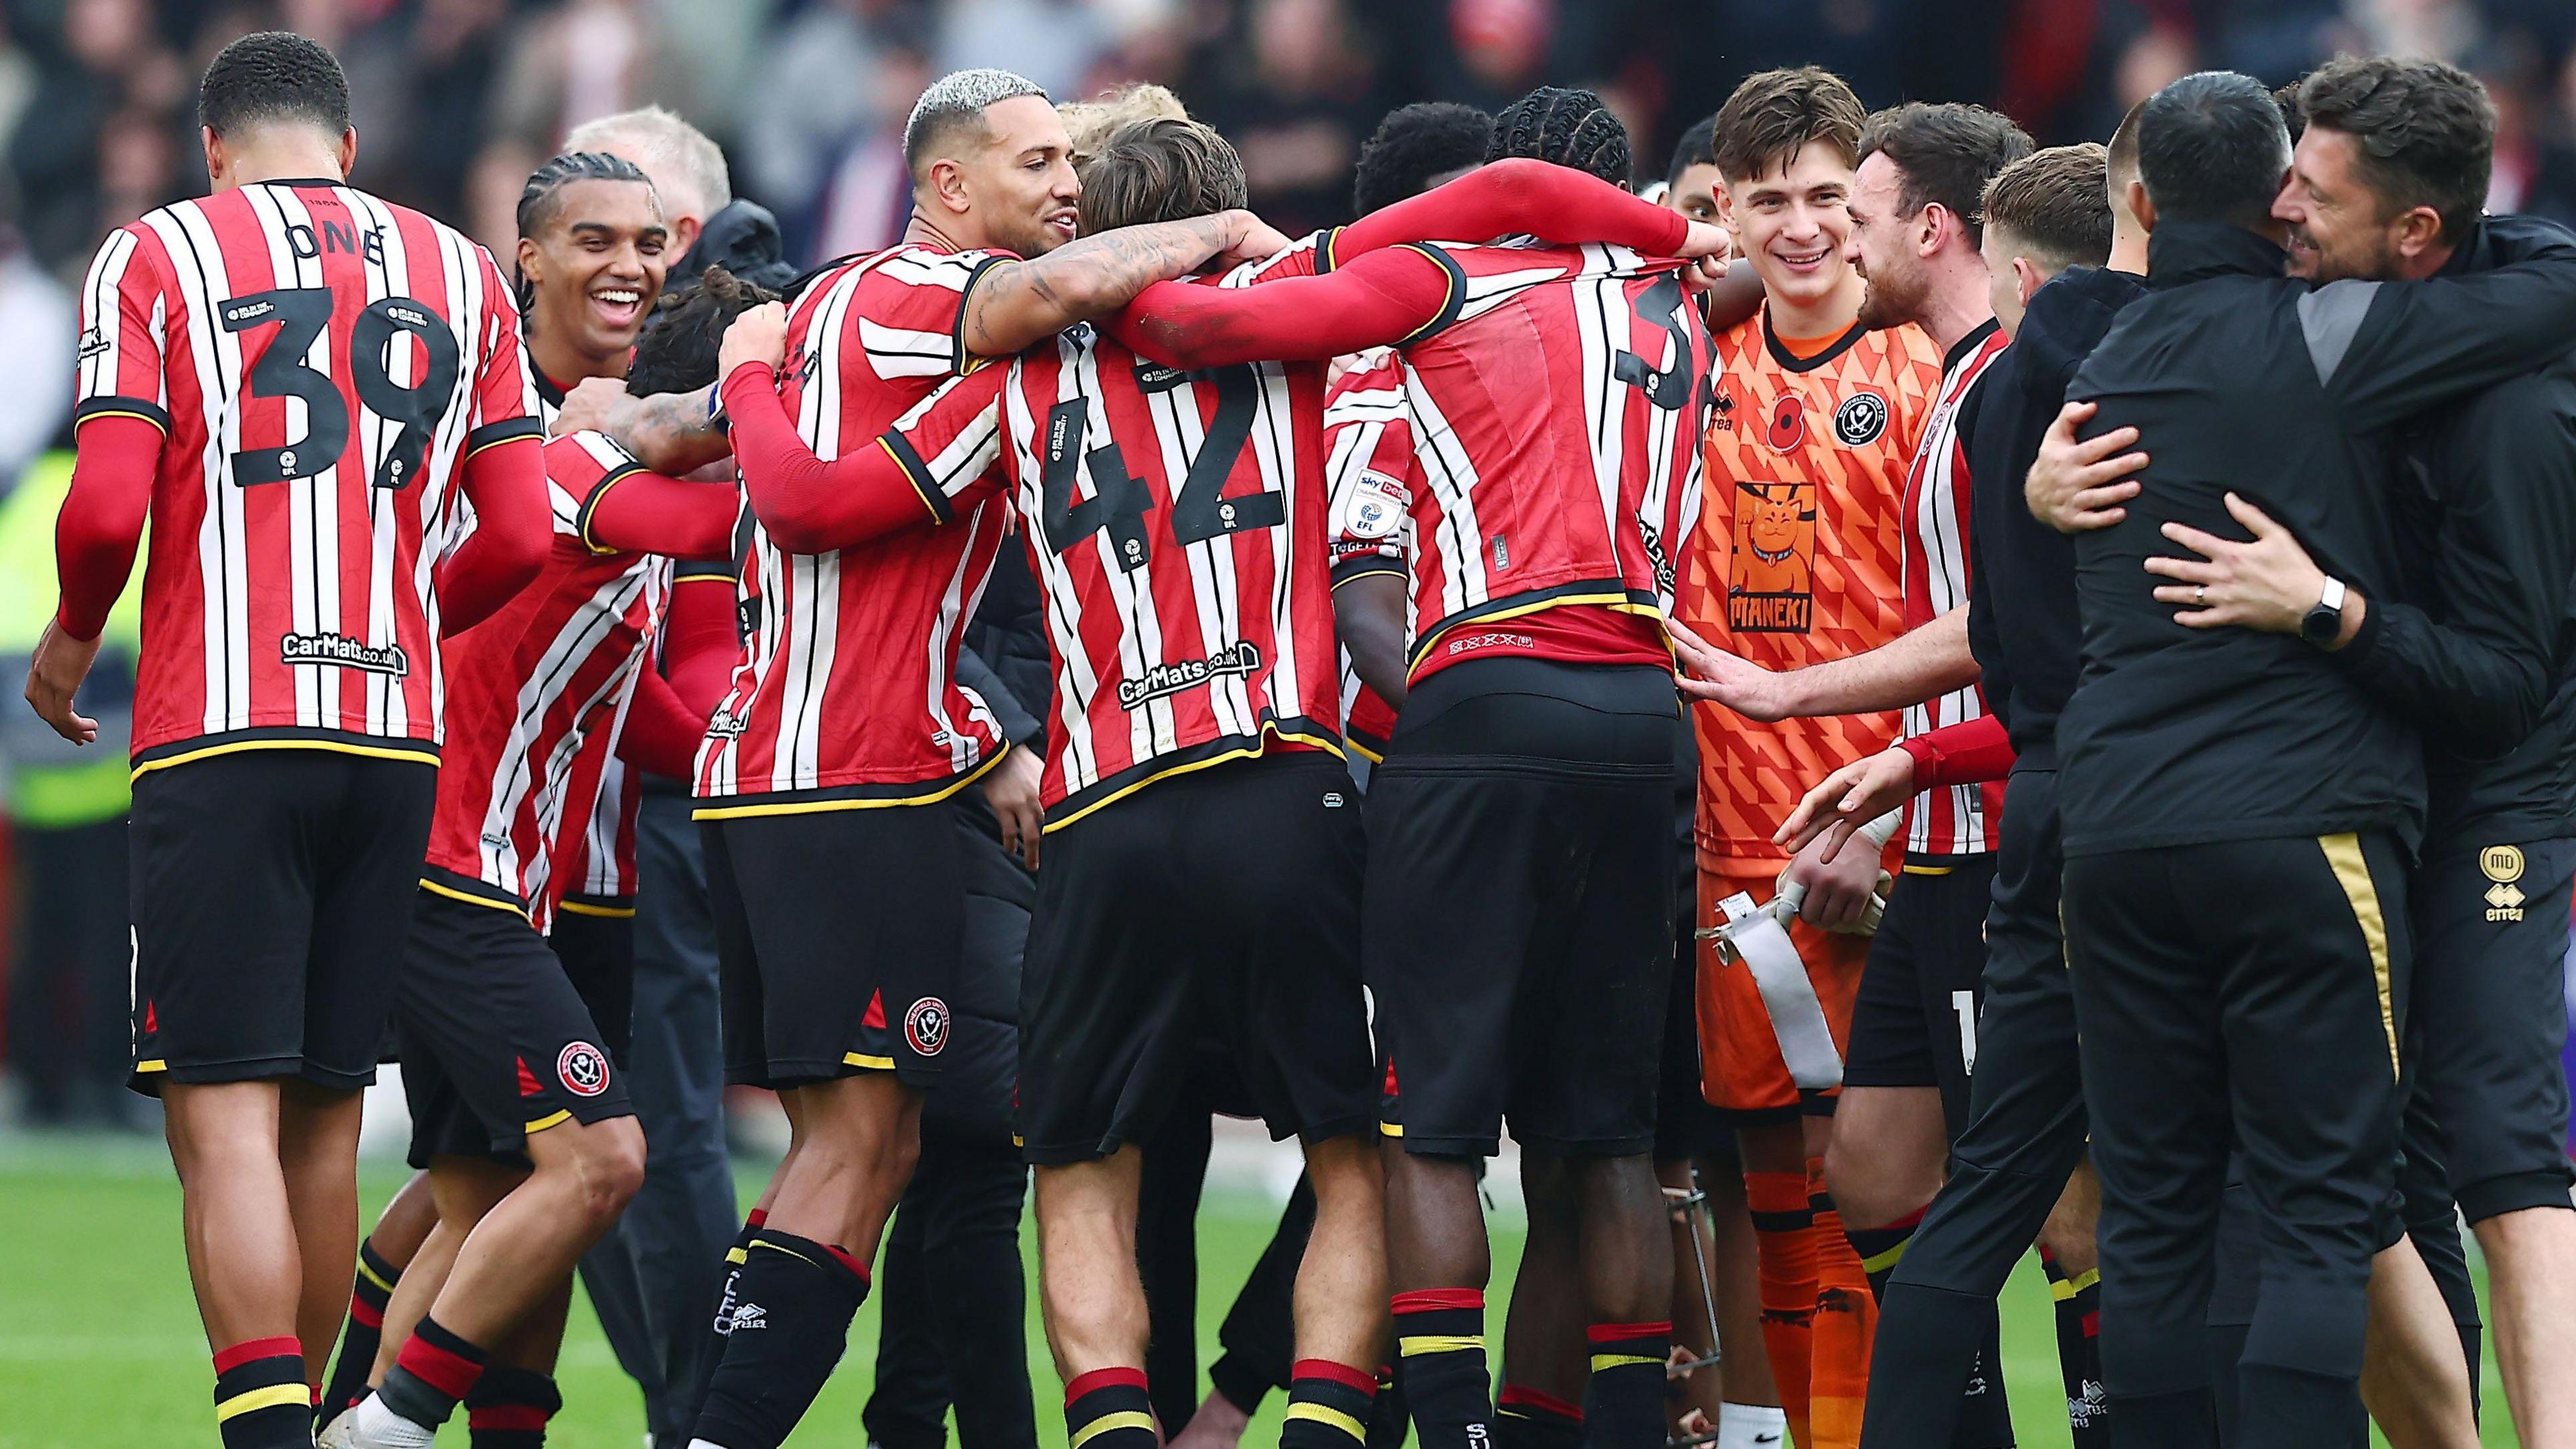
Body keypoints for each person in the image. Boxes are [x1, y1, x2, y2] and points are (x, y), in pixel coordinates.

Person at [710, 109, 1719, 1449]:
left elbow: (823, 509)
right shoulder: (1302, 308)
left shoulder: (1015, 376)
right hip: (1284, 789)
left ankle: (1122, 1431)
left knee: (1082, 1173)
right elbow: (1495, 216)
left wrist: (750, 380)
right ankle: (1318, 1432)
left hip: (1109, 813)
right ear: (1218, 209)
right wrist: (1679, 242)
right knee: (1357, 1156)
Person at [665, 70, 1303, 1449]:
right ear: (948, 186)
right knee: (870, 1151)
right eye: (1034, 167)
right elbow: (826, 499)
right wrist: (1215, 236)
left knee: (880, 1148)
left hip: (786, 777)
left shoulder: (836, 303)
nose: (1064, 193)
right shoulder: (945, 313)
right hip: (859, 782)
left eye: (1075, 168)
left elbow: (769, 481)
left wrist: (733, 386)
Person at [2032, 58, 2576, 1448]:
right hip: (2313, 818)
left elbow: (2510, 685)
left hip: (2187, 827)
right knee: (2330, 1209)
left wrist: (2322, 607)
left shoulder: (2112, 358)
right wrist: (2325, 607)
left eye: (2313, 193)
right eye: (2280, 180)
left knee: (2187, 1214)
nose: (2283, 211)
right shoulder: (2320, 335)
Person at [29, 30, 548, 1449]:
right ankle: (321, 1427)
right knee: (325, 1111)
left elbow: (100, 504)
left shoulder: (158, 255)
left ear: (213, 149)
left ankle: (261, 1434)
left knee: (221, 1110)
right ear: (349, 149)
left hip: (221, 724)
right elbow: (519, 533)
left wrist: (73, 638)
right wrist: (397, 619)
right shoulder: (462, 270)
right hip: (390, 737)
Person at [317, 146, 677, 1440]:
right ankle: (375, 1424)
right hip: (442, 860)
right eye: (593, 240)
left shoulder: (600, 435)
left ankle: (357, 1413)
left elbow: (631, 706)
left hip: (515, 880)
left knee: (482, 1209)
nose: (628, 266)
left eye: (648, 243)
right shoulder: (511, 412)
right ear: (524, 256)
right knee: (601, 1160)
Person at [1835, 133, 2132, 1449]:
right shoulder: (1963, 385)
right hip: (1946, 836)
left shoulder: (2019, 390)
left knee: (2059, 1208)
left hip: (2008, 829)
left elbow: (2011, 639)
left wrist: (1839, 716)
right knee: (1875, 1173)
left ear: (1946, 233)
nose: (1842, 239)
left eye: (1858, 212)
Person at [1667, 66, 1940, 1449]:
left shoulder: (1925, 370)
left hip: (1885, 841)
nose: (1802, 227)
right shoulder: (1686, 369)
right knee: (1767, 1184)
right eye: (1768, 199)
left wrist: (1883, 826)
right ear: (1722, 208)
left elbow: (1973, 624)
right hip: (1729, 845)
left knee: (1879, 1193)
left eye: (1829, 196)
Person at [557, 105, 770, 1448]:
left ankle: (692, 1414)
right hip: (581, 795)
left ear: (681, 232)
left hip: (678, 788)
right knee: (564, 1133)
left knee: (666, 1123)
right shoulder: (581, 367)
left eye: (624, 223)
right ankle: (666, 1405)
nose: (603, 255)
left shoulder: (751, 319)